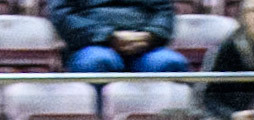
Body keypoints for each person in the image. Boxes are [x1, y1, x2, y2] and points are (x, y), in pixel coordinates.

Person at [48, 0, 188, 75]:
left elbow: (164, 11)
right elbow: (63, 15)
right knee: (99, 61)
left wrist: (150, 35)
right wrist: (108, 36)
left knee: (170, 62)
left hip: (145, 46)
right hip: (91, 44)